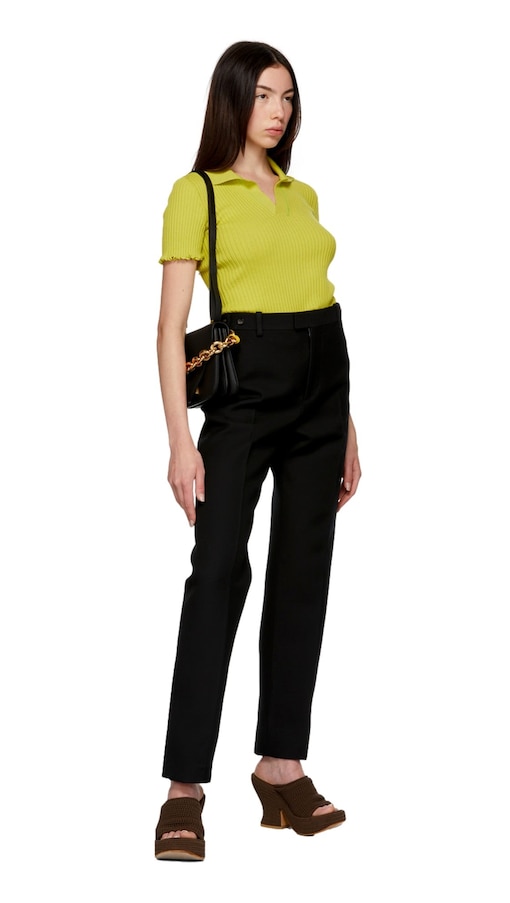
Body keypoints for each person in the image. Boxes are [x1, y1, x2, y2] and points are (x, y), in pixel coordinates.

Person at [154, 41, 361, 862]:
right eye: (265, 95)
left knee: (304, 572)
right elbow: (170, 328)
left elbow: (319, 299)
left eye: (288, 97)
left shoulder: (303, 194)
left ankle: (281, 765)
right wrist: (180, 439)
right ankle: (184, 787)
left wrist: (346, 422)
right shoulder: (197, 192)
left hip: (323, 385)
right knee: (217, 574)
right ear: (233, 100)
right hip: (243, 396)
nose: (279, 111)